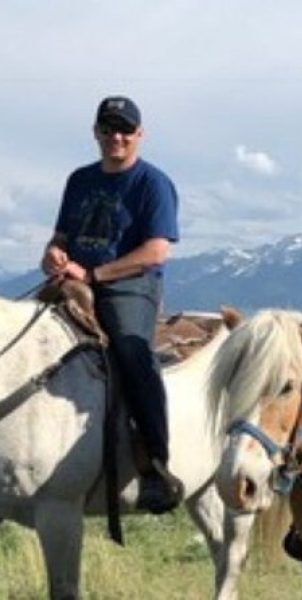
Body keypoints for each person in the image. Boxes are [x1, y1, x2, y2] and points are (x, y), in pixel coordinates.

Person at [40, 95, 182, 514]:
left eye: (124, 129)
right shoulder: (79, 180)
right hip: (74, 278)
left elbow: (156, 252)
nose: (115, 137)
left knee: (134, 353)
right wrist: (53, 255)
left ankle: (156, 463)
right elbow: (61, 238)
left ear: (140, 134)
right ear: (96, 133)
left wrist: (95, 275)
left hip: (129, 287)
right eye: (108, 129)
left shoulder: (153, 183)